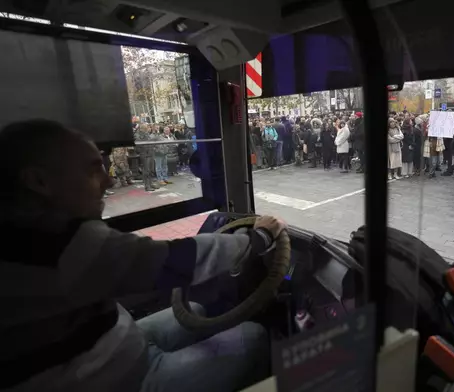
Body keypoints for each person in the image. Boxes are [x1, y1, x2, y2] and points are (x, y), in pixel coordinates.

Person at [0, 119, 286, 392]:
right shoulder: (57, 246)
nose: (108, 182)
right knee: (255, 337)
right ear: (39, 181)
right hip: (120, 381)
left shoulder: (22, 235)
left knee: (196, 309)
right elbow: (173, 262)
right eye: (92, 170)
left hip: (109, 350)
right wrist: (255, 239)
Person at [135, 124, 159, 192]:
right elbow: (138, 145)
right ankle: (147, 186)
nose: (148, 128)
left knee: (151, 170)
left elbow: (150, 141)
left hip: (150, 153)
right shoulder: (138, 135)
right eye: (146, 128)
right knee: (146, 171)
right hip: (145, 154)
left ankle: (151, 183)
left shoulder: (147, 134)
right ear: (142, 128)